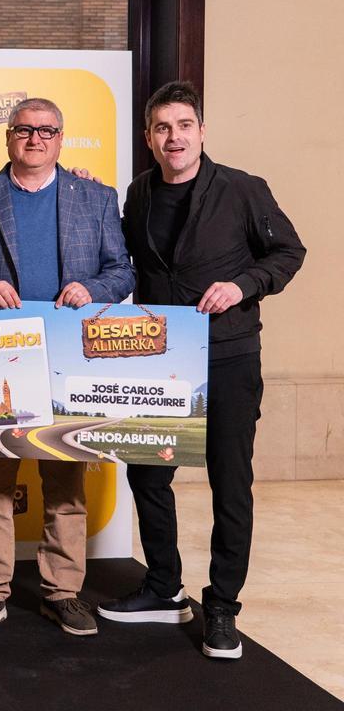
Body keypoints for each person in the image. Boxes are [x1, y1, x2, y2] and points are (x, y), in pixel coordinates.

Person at [98, 81, 304, 659]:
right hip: (159, 358)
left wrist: (242, 285)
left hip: (230, 356)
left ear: (201, 131)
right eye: (162, 128)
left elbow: (288, 253)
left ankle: (222, 607)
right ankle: (165, 587)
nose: (174, 137)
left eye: (184, 125)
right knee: (146, 473)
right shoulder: (138, 195)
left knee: (229, 484)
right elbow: (123, 259)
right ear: (148, 138)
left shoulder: (243, 189)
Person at [0, 98, 134, 637]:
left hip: (67, 362)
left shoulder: (96, 197)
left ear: (61, 139)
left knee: (65, 482)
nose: (36, 138)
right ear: (8, 137)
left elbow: (120, 271)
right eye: (25, 129)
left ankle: (62, 591)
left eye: (47, 131)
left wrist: (93, 289)